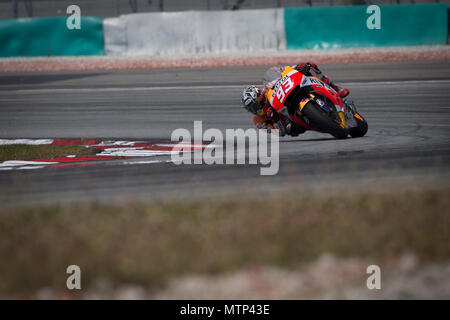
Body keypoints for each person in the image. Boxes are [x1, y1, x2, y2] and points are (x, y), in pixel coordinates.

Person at [241, 62, 349, 136]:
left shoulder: (267, 90)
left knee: (308, 65)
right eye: (251, 109)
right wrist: (275, 122)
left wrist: (297, 67)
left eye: (255, 106)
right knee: (291, 127)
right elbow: (277, 133)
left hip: (292, 95)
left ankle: (335, 88)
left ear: (260, 96)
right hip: (293, 125)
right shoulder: (258, 121)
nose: (255, 110)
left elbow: (281, 73)